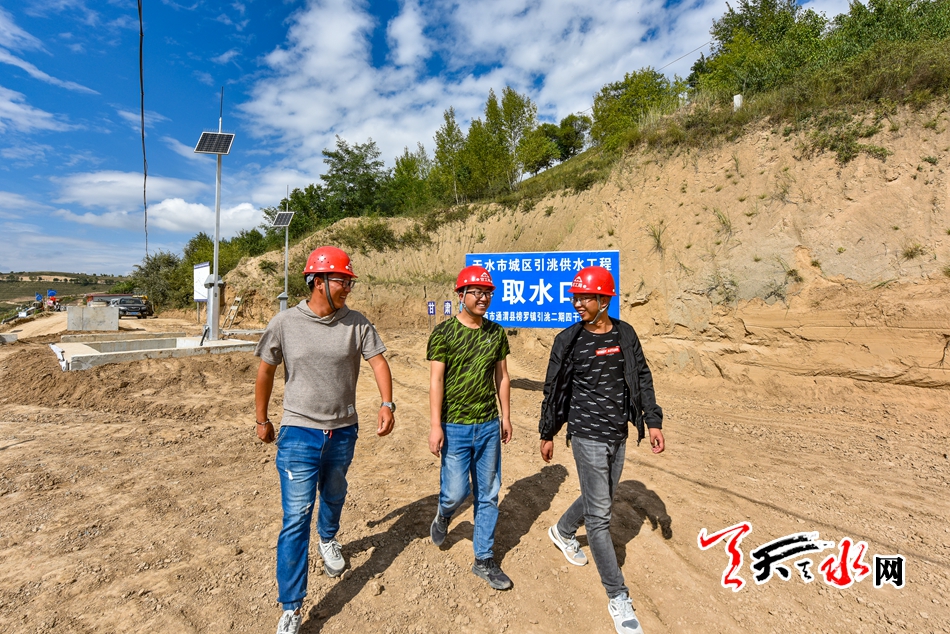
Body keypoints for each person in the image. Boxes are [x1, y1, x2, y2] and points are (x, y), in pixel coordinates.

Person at [254, 246, 396, 634]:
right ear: (318, 282)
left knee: (334, 493)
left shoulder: (356, 323)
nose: (348, 287)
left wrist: (387, 403)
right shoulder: (284, 323)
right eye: (342, 281)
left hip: (343, 430)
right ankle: (291, 606)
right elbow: (266, 371)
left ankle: (328, 539)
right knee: (296, 516)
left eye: (349, 281)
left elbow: (378, 361)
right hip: (298, 432)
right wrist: (262, 419)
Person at [539, 266, 664, 634]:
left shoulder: (625, 334)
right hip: (586, 435)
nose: (577, 303)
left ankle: (563, 531)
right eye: (575, 298)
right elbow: (554, 389)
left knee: (602, 497)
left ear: (604, 300)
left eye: (584, 298)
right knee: (599, 518)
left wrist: (652, 421)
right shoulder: (568, 340)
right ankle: (617, 596)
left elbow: (642, 377)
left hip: (618, 434)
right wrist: (548, 432)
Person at [427, 265, 513, 590]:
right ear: (461, 295)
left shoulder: (496, 333)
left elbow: (502, 376)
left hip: (488, 424)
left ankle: (483, 559)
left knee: (488, 493)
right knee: (455, 492)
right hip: (454, 426)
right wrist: (435, 425)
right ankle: (445, 513)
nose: (483, 298)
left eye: (487, 292)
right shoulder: (444, 333)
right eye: (476, 292)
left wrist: (506, 416)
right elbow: (436, 381)